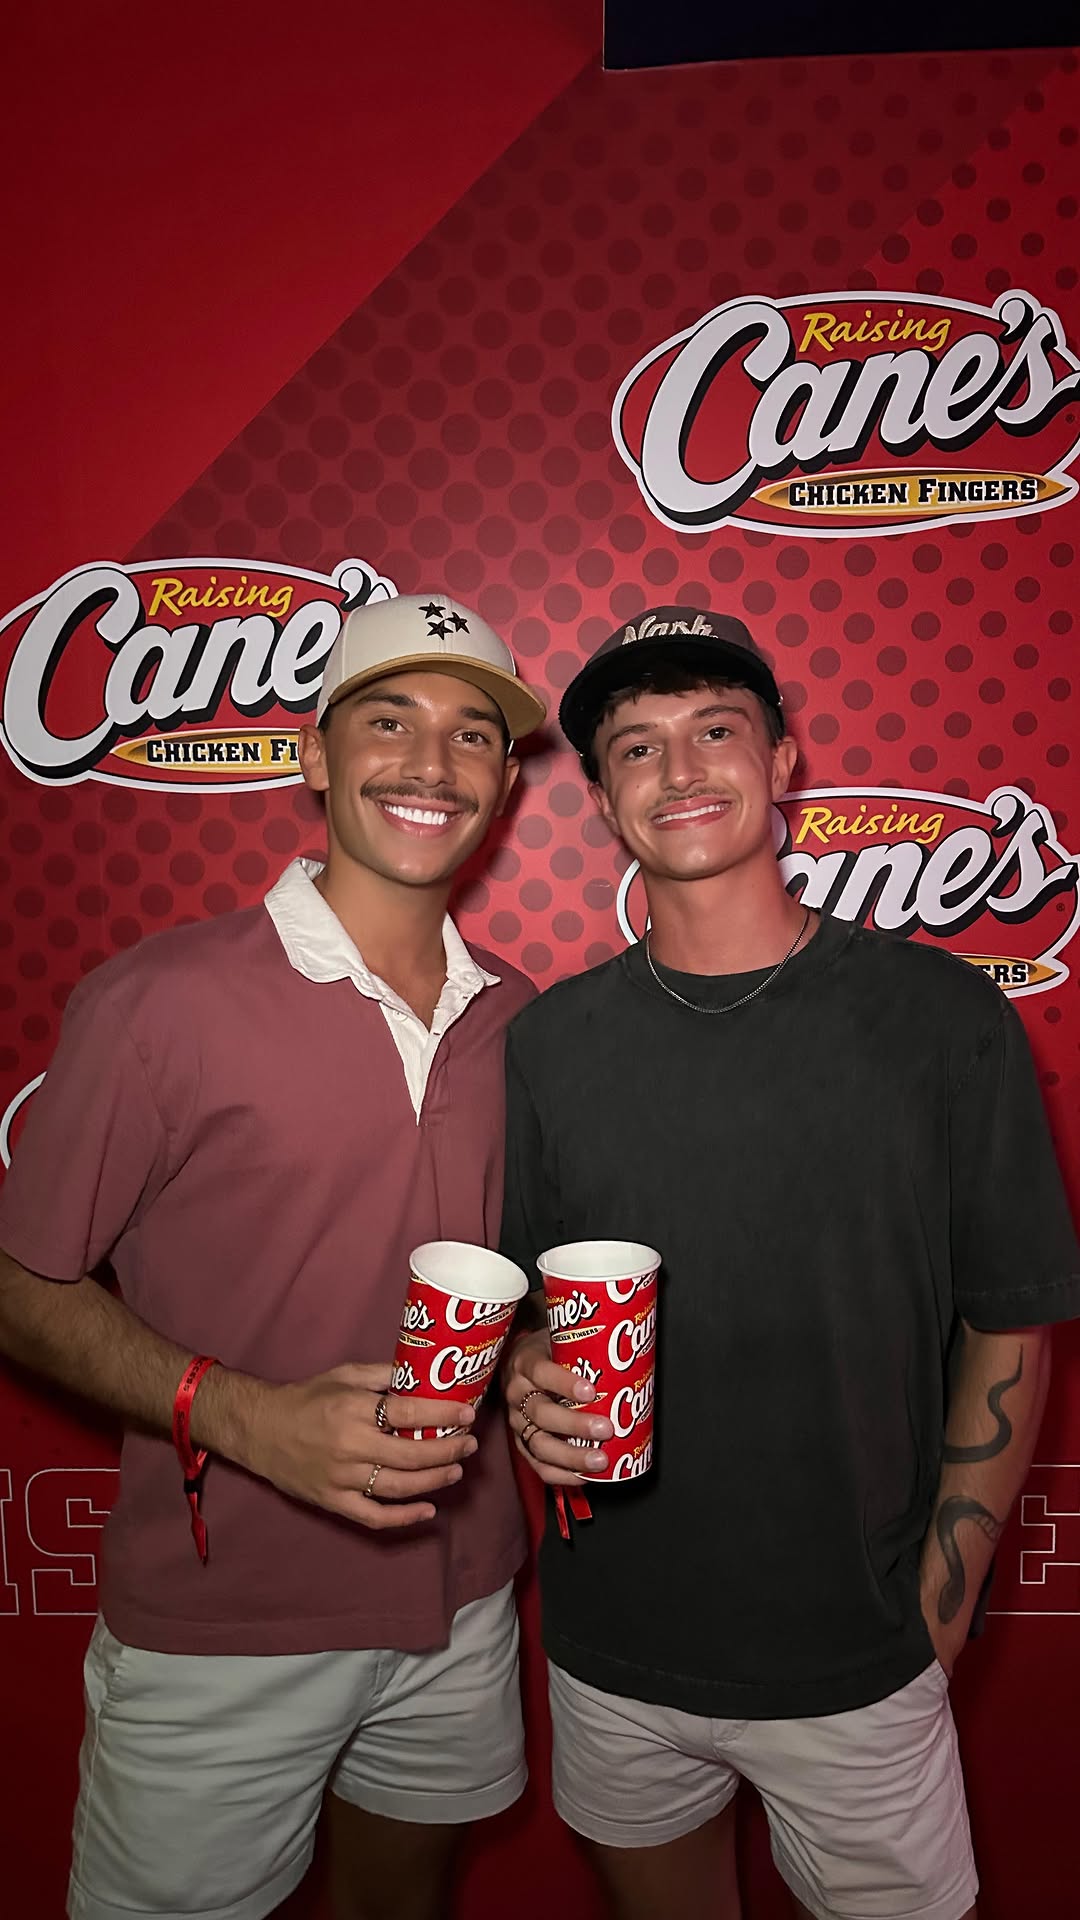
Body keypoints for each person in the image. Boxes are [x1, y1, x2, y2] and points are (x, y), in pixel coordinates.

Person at [501, 603, 1080, 1920]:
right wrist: (530, 1369)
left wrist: (938, 1603)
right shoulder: (554, 1045)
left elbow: (1010, 1323)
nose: (682, 769)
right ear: (598, 800)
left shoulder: (941, 1019)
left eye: (716, 729)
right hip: (615, 1656)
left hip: (858, 1663)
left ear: (786, 759)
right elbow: (527, 1302)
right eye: (637, 749)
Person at [0, 592, 546, 1920]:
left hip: (461, 1605)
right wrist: (237, 1412)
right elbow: (21, 1284)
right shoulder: (160, 1003)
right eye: (389, 720)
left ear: (507, 777)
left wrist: (538, 1374)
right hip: (221, 1626)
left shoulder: (524, 1020)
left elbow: (509, 1279)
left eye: (475, 734)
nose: (433, 763)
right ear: (313, 755)